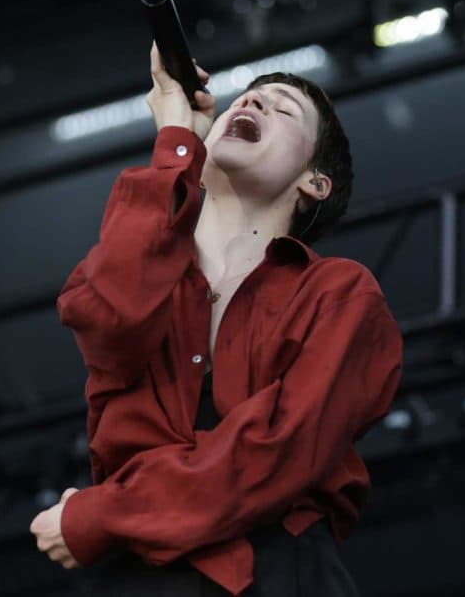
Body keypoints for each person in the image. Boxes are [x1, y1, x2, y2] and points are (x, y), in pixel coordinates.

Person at [30, 42, 403, 595]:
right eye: (249, 97)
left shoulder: (337, 292)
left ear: (313, 183)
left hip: (277, 570)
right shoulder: (145, 268)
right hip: (140, 575)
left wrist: (102, 514)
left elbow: (278, 451)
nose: (253, 99)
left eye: (284, 108)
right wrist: (175, 139)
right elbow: (107, 322)